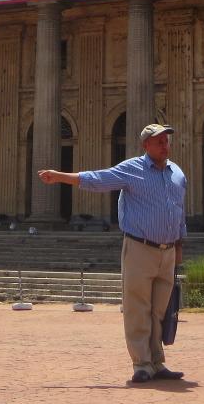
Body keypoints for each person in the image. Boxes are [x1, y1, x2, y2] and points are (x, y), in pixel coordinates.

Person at [39, 123, 186, 384]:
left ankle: (157, 361)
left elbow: (178, 211)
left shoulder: (177, 174)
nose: (165, 145)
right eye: (159, 141)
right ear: (146, 146)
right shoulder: (132, 170)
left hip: (168, 251)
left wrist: (179, 245)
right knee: (137, 308)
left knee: (159, 310)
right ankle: (141, 364)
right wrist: (60, 176)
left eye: (166, 141)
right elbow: (98, 180)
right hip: (141, 247)